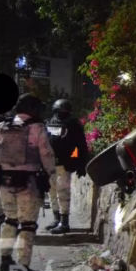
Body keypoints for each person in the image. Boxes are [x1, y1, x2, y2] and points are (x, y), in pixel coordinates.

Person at [0, 94, 56, 271]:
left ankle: (5, 260)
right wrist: (50, 176)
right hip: (29, 182)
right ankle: (23, 268)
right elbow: (47, 155)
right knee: (28, 225)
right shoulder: (38, 128)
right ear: (33, 109)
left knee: (9, 220)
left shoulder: (2, 126)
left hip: (5, 182)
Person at [45, 99, 88, 235]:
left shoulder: (74, 124)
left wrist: (78, 162)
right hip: (50, 163)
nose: (62, 114)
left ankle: (64, 223)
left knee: (62, 193)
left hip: (64, 164)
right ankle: (56, 218)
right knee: (52, 192)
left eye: (65, 112)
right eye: (60, 112)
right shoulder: (49, 122)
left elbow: (80, 146)